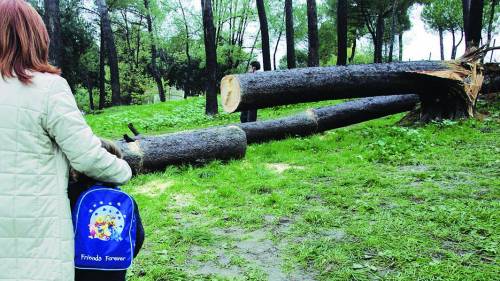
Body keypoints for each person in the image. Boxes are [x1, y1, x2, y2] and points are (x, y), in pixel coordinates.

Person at [0, 1, 132, 281]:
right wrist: (125, 169)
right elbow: (87, 157)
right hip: (35, 231)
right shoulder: (47, 88)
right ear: (35, 37)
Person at [68, 139, 144, 281]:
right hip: (114, 270)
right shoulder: (124, 199)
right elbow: (138, 236)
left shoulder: (69, 193)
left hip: (75, 269)